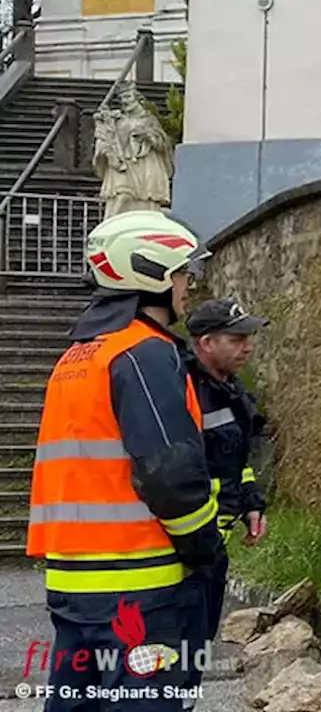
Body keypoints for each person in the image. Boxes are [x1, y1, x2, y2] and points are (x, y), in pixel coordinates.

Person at [25, 210, 225, 711]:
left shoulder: (79, 355)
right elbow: (169, 473)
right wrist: (206, 547)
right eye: (181, 272)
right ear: (151, 271)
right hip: (140, 587)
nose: (187, 286)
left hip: (74, 584)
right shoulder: (145, 353)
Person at [179, 297, 271, 695]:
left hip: (213, 547)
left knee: (195, 651)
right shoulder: (183, 390)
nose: (247, 347)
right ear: (205, 342)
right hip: (183, 550)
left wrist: (251, 501)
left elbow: (236, 458)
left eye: (248, 337)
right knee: (172, 658)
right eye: (236, 339)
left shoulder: (229, 389)